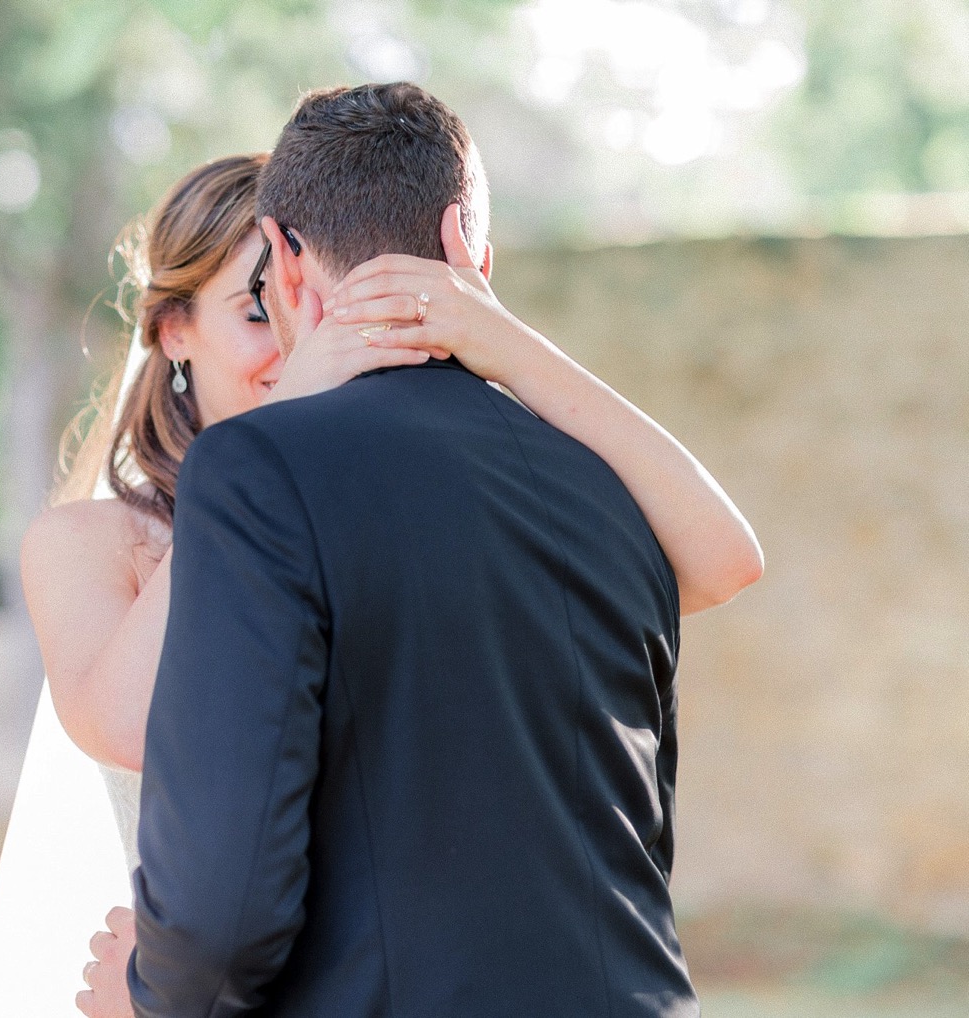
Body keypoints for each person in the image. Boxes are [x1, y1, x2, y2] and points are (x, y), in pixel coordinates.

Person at [75, 82, 758, 1017]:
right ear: (477, 254)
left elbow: (226, 906)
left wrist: (157, 995)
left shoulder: (258, 468)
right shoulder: (612, 485)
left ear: (282, 256)